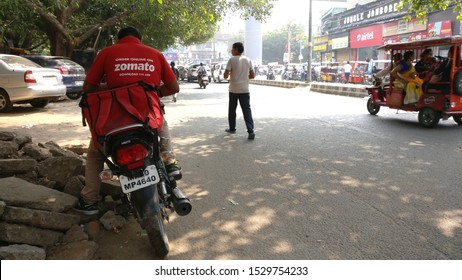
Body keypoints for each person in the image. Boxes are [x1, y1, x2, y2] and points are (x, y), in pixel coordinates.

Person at [74, 26, 181, 215]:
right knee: (161, 122)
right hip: (147, 118)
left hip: (113, 119)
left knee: (95, 154)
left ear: (118, 39)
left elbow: (89, 87)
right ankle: (170, 162)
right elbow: (173, 87)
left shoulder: (107, 53)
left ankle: (89, 201)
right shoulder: (155, 54)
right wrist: (153, 93)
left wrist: (112, 88)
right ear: (140, 38)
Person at [223, 42, 256, 140]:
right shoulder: (248, 60)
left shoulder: (231, 60)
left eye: (232, 49)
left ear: (236, 49)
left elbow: (225, 75)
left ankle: (232, 128)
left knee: (232, 110)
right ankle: (251, 131)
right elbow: (252, 75)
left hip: (234, 89)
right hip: (245, 89)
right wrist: (244, 77)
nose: (231, 50)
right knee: (247, 110)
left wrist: (232, 74)